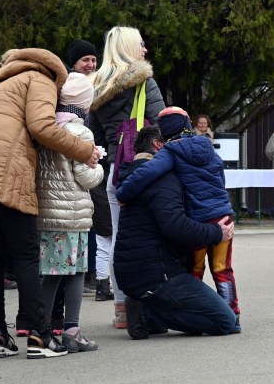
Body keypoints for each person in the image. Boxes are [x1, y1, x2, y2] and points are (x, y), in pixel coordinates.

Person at [0, 48, 100, 359]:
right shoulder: (39, 80)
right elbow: (42, 127)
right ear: (55, 71)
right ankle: (40, 335)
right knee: (26, 256)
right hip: (4, 176)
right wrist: (86, 151)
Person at [119, 107, 240, 331]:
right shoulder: (207, 146)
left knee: (194, 270)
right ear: (189, 122)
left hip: (198, 221)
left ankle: (198, 309)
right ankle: (233, 314)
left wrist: (123, 194)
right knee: (223, 270)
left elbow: (147, 172)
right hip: (223, 216)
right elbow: (219, 176)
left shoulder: (169, 151)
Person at [88, 26, 165, 327]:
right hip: (145, 170)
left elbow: (93, 134)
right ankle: (149, 307)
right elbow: (161, 126)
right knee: (151, 239)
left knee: (119, 239)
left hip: (116, 175)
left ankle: (121, 308)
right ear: (130, 48)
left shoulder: (97, 87)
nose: (145, 50)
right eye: (141, 45)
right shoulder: (144, 80)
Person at [36, 73, 105, 353]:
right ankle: (72, 331)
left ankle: (40, 326)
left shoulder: (46, 127)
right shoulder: (81, 131)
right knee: (76, 272)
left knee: (51, 273)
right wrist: (99, 163)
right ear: (85, 105)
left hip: (47, 211)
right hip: (73, 213)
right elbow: (86, 177)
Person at [67, 39, 105, 298]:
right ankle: (86, 273)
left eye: (93, 59)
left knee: (91, 218)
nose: (91, 64)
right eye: (85, 60)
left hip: (91, 153)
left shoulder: (97, 85)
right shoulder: (71, 90)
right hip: (81, 158)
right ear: (74, 63)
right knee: (83, 218)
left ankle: (90, 273)